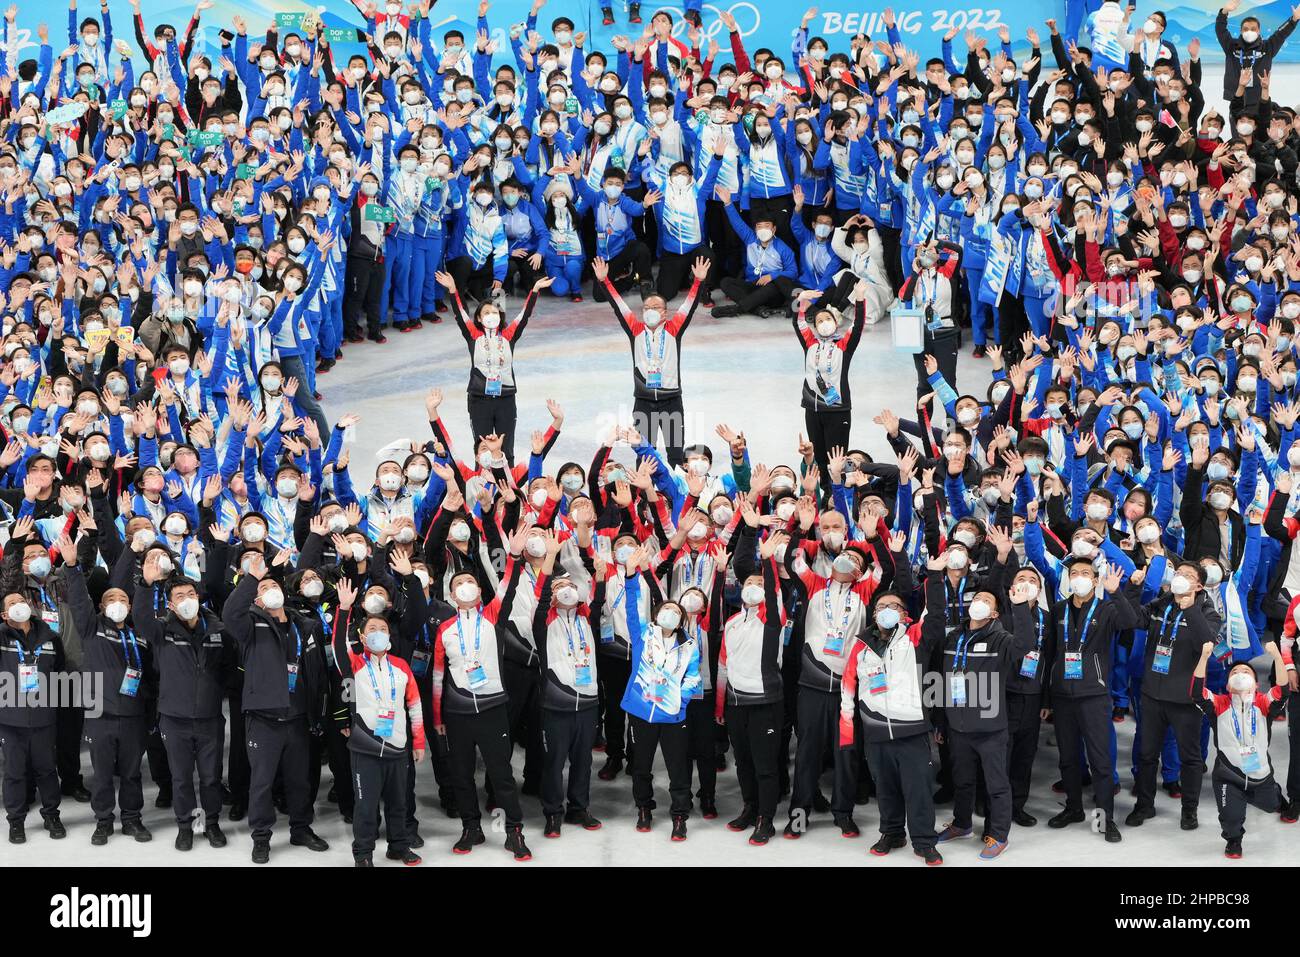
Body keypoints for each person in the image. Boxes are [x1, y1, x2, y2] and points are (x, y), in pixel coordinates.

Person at [331, 580, 426, 867]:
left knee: (399, 803)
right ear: (361, 637)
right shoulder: (354, 664)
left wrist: (418, 741)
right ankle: (363, 853)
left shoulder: (401, 665)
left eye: (382, 629)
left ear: (390, 636)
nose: (378, 633)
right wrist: (344, 609)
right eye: (371, 629)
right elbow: (337, 643)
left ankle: (399, 846)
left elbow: (414, 704)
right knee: (366, 806)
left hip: (397, 745)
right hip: (365, 747)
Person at [1194, 638, 1290, 858]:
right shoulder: (1218, 704)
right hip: (1228, 775)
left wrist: (1277, 658)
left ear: (1257, 684)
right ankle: (1234, 839)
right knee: (1230, 817)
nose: (1240, 672)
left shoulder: (1264, 703)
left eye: (1246, 671)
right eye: (1234, 671)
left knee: (1271, 805)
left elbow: (1283, 691)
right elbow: (1196, 692)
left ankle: (1273, 793)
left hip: (1260, 775)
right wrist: (1204, 657)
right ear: (1228, 685)